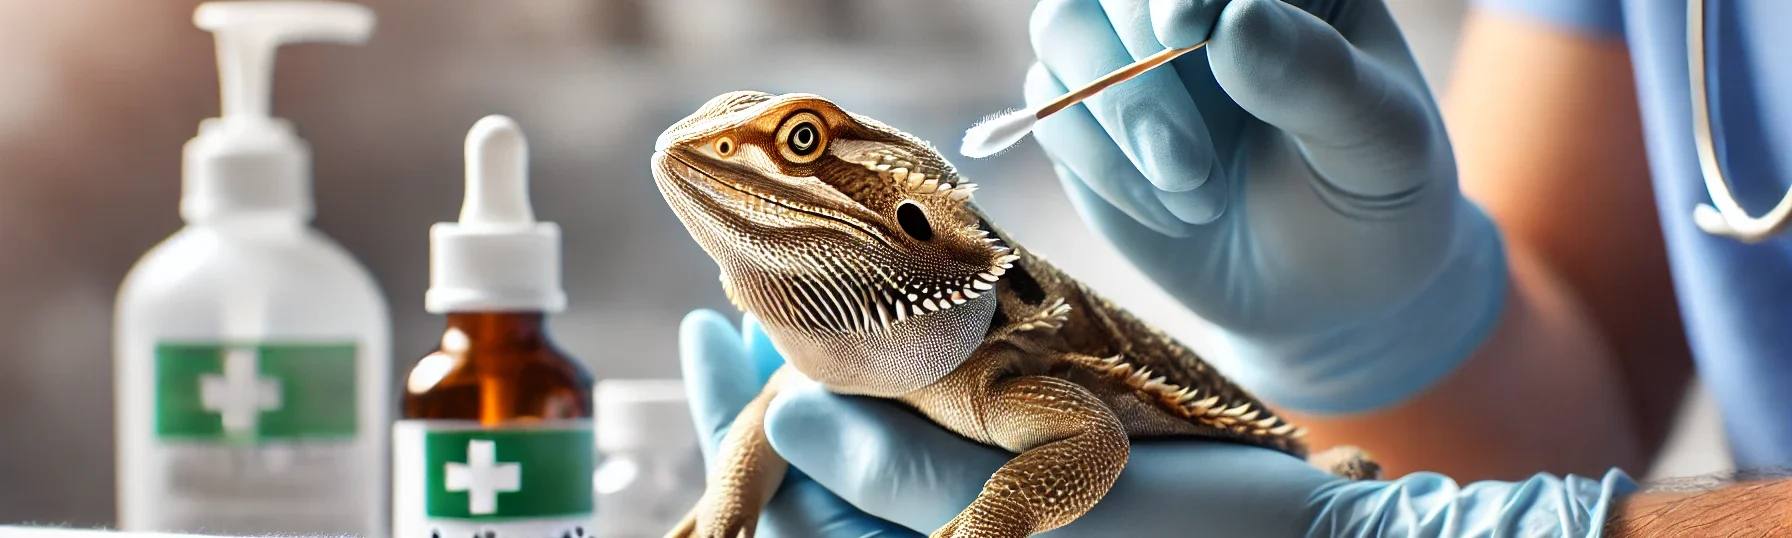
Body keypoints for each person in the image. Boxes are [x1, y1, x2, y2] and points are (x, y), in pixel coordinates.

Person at [675, 0, 1792, 535]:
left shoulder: (1001, 378)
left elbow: (1088, 437)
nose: (720, 161)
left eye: (802, 145)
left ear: (911, 218)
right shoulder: (890, 342)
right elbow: (1557, 420)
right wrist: (1393, 328)